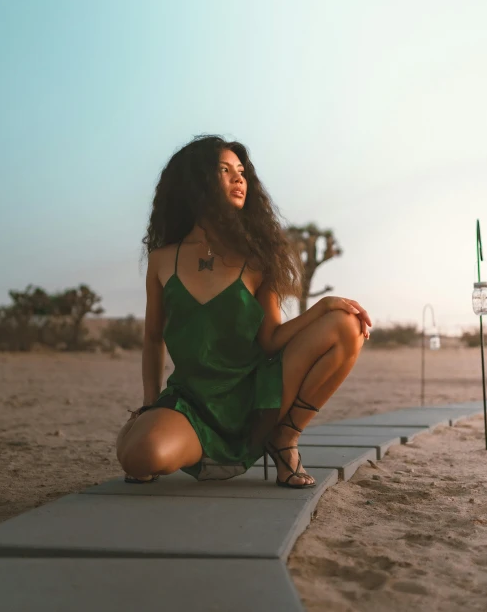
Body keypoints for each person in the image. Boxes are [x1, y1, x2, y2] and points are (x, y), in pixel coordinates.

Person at [116, 134, 371, 488]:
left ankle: (283, 439)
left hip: (255, 396)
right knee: (140, 457)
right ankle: (164, 434)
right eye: (225, 170)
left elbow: (270, 340)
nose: (239, 179)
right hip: (193, 402)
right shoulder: (162, 260)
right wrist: (149, 404)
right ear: (195, 183)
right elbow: (153, 337)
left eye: (241, 172)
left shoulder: (256, 259)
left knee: (347, 324)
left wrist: (321, 309)